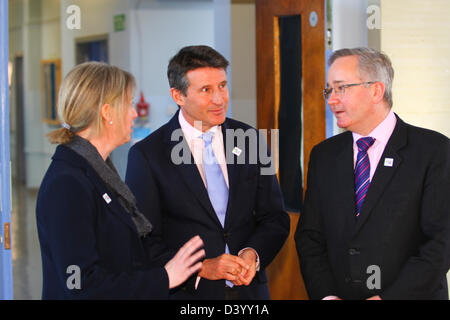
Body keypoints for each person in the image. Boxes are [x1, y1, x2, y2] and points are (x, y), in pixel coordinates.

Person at [125, 45, 289, 299]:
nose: (219, 99)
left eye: (222, 86)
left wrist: (252, 254)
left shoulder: (249, 140)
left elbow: (275, 218)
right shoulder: (148, 155)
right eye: (206, 90)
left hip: (249, 293)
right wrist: (202, 268)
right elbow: (144, 239)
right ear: (178, 96)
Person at [36, 62, 205, 299]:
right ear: (107, 113)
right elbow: (81, 285)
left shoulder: (99, 170)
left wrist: (184, 270)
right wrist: (165, 277)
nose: (135, 113)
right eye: (129, 104)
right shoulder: (67, 184)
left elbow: (126, 252)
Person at [295, 47, 450, 300]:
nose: (332, 99)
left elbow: (441, 244)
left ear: (376, 90)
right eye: (329, 90)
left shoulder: (433, 151)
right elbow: (310, 237)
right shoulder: (324, 156)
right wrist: (327, 295)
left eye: (341, 88)